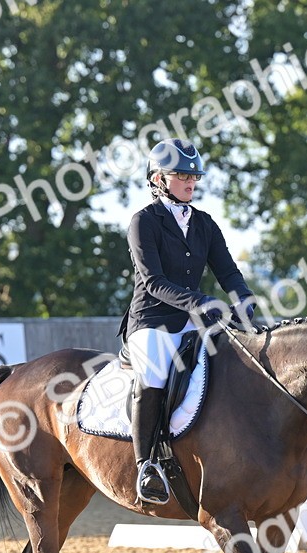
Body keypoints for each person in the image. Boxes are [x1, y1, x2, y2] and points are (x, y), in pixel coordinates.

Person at [118, 138, 257, 505]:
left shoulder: (204, 224)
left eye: (194, 177)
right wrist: (202, 301)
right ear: (158, 179)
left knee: (234, 365)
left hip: (194, 320)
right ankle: (146, 464)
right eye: (182, 176)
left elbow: (228, 272)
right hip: (152, 320)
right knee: (153, 377)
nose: (191, 183)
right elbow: (153, 281)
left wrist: (243, 299)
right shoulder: (143, 222)